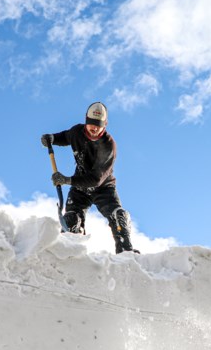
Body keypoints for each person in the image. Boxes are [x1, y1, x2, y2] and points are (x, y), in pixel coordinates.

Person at [40, 101, 138, 254]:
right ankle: (70, 251)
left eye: (98, 125)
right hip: (80, 189)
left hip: (103, 188)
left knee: (118, 216)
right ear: (86, 120)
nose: (94, 128)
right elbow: (66, 137)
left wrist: (67, 180)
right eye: (91, 124)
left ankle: (125, 252)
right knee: (71, 219)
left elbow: (96, 179)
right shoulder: (77, 132)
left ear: (105, 124)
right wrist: (52, 138)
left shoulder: (108, 145)